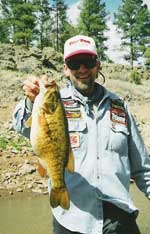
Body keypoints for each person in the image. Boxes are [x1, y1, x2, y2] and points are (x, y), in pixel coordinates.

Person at [13, 35, 150, 234]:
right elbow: (20, 125)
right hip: (72, 220)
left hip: (120, 220)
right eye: (75, 63)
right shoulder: (53, 101)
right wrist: (30, 102)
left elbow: (143, 168)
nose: (82, 69)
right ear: (65, 69)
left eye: (87, 62)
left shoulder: (120, 107)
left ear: (98, 65)